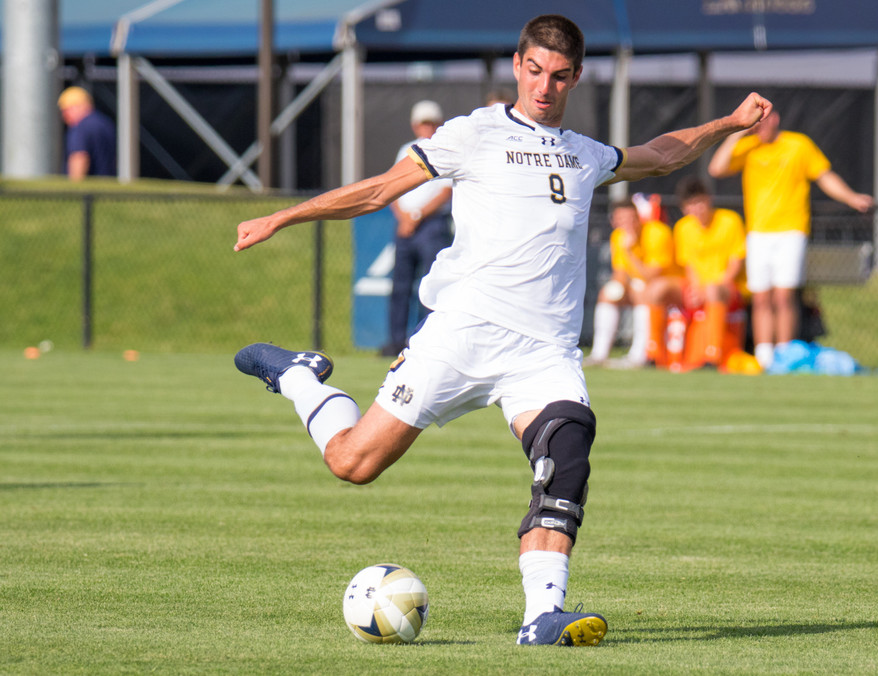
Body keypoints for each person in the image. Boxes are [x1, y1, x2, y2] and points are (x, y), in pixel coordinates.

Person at [233, 14, 771, 647]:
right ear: (519, 65)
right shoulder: (474, 134)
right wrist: (284, 217)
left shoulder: (584, 152)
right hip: (462, 335)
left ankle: (542, 615)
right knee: (353, 462)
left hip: (543, 353)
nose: (545, 87)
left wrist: (728, 124)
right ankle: (298, 377)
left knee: (567, 450)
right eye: (535, 70)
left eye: (560, 76)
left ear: (575, 78)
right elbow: (380, 190)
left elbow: (658, 156)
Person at [708, 109, 872, 369]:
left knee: (784, 296)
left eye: (763, 122)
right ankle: (764, 355)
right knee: (761, 297)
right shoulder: (749, 147)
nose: (760, 128)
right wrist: (737, 133)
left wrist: (851, 197)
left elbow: (824, 176)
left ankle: (785, 354)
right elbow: (716, 168)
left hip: (791, 230)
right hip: (758, 232)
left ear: (775, 120)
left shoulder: (798, 145)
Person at [643, 177, 747, 369]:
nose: (697, 209)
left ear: (709, 200)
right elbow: (688, 265)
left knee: (714, 290)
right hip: (696, 285)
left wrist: (710, 288)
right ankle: (654, 354)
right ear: (684, 208)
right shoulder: (683, 227)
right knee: (656, 288)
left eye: (700, 202)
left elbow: (735, 264)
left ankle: (711, 356)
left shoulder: (730, 220)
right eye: (691, 204)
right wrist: (696, 288)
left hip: (725, 287)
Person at [382, 100, 454, 357]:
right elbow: (391, 188)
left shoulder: (445, 148)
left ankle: (426, 340)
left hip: (431, 225)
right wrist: (404, 217)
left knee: (431, 286)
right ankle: (395, 341)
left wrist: (416, 215)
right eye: (424, 123)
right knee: (400, 286)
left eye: (432, 122)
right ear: (415, 125)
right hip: (406, 226)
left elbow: (445, 191)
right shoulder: (406, 150)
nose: (428, 127)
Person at [586, 196, 676, 368]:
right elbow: (620, 274)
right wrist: (620, 287)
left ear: (638, 217)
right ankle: (599, 354)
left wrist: (630, 252)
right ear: (614, 221)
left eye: (631, 218)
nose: (627, 223)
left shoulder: (657, 232)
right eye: (621, 219)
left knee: (644, 292)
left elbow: (652, 277)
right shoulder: (617, 236)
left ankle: (639, 355)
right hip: (640, 285)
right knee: (608, 294)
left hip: (667, 286)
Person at [57, 86, 116, 180]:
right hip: (107, 187)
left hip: (89, 192)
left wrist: (75, 189)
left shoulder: (81, 127)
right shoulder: (105, 123)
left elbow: (79, 157)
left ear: (78, 106)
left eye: (66, 110)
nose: (64, 117)